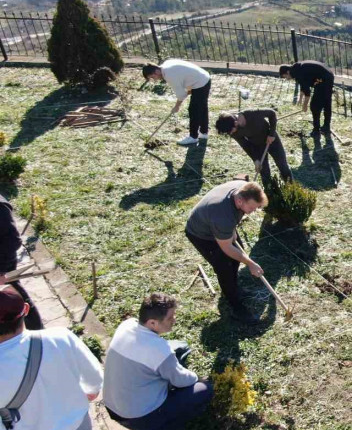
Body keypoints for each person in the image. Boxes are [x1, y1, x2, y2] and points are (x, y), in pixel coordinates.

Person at [104, 293, 214, 430]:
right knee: (205, 389)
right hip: (140, 417)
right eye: (170, 318)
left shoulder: (126, 325)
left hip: (112, 406)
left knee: (179, 347)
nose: (174, 320)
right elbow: (182, 380)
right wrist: (199, 378)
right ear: (152, 322)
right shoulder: (160, 351)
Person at [0, 285, 103, 430]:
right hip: (78, 424)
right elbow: (94, 377)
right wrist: (92, 390)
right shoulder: (60, 337)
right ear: (26, 310)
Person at [185, 181, 267, 323]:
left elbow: (233, 221)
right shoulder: (222, 216)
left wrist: (233, 231)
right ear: (240, 200)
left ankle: (234, 288)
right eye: (252, 208)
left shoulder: (243, 188)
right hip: (202, 234)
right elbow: (227, 248)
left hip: (219, 225)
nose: (253, 212)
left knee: (236, 256)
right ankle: (236, 307)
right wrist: (250, 263)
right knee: (225, 267)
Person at [142, 60, 212, 146]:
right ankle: (204, 133)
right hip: (203, 78)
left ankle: (193, 137)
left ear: (156, 71)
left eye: (153, 77)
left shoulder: (169, 75)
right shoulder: (166, 65)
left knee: (194, 110)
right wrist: (189, 90)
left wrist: (177, 106)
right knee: (202, 107)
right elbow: (184, 78)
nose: (155, 80)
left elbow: (181, 94)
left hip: (200, 83)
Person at [215, 109, 292, 185]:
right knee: (264, 172)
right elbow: (246, 145)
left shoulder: (251, 114)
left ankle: (291, 187)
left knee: (282, 165)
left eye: (230, 131)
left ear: (235, 123)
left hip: (272, 140)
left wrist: (271, 134)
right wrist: (255, 160)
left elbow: (272, 113)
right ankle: (269, 192)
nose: (230, 133)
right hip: (257, 145)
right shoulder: (233, 132)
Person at [0, 194, 42, 330]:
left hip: (3, 264)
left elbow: (12, 241)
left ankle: (37, 331)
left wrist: (1, 272)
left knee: (14, 297)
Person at [279, 61, 335, 136]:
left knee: (314, 106)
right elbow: (304, 85)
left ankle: (316, 130)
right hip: (328, 75)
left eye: (285, 76)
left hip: (323, 79)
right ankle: (326, 127)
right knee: (326, 102)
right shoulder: (297, 69)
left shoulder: (298, 73)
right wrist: (300, 99)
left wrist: (304, 105)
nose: (287, 79)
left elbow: (307, 93)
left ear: (288, 72)